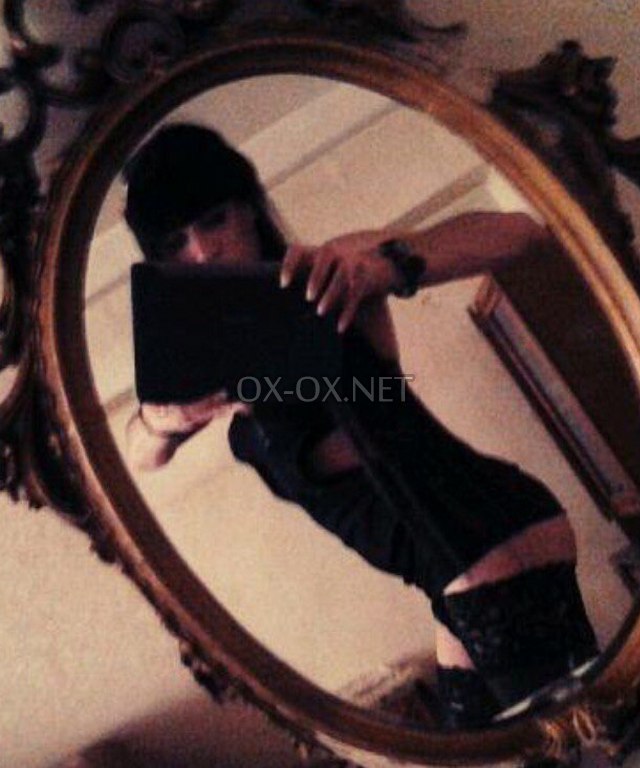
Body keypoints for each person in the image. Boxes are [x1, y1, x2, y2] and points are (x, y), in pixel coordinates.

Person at [124, 123, 598, 728]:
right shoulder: (211, 359)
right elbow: (138, 455)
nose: (201, 253)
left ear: (248, 209)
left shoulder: (331, 274)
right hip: (454, 575)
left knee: (578, 744)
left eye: (214, 221)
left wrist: (391, 265)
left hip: (488, 555)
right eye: (175, 244)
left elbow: (522, 233)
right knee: (479, 748)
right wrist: (163, 419)